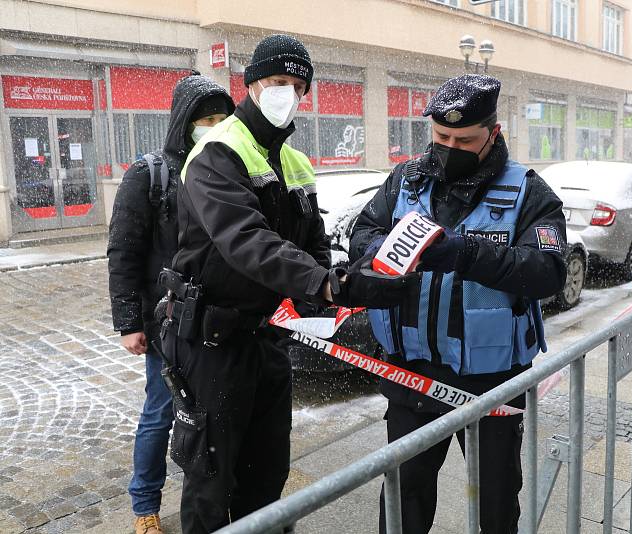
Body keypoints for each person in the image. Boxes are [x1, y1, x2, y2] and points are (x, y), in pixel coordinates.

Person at [163, 34, 411, 533]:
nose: (288, 93)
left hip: (268, 337)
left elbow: (311, 240)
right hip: (212, 341)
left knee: (267, 475)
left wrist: (347, 276)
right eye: (278, 81)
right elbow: (246, 241)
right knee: (211, 480)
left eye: (298, 86)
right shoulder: (216, 152)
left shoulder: (294, 161)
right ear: (252, 84)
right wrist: (324, 283)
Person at [349, 74, 568, 534]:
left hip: (491, 384)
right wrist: (383, 256)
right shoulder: (405, 179)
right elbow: (362, 231)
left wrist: (463, 253)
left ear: (493, 133)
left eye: (464, 139)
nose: (449, 146)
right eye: (441, 135)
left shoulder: (529, 191)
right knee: (403, 501)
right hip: (411, 372)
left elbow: (547, 272)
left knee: (494, 505)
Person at [107, 74, 235, 534]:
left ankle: (208, 496)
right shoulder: (150, 174)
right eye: (206, 118)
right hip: (165, 327)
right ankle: (145, 506)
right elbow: (123, 250)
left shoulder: (227, 169)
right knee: (162, 414)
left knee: (211, 415)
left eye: (223, 118)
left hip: (215, 324)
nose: (215, 126)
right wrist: (128, 322)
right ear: (185, 121)